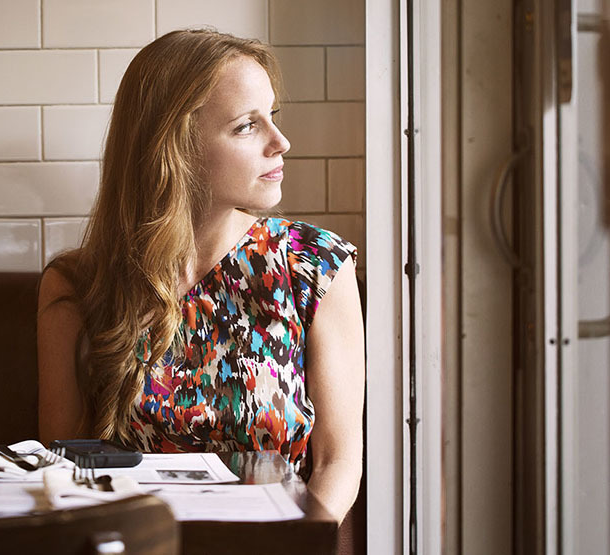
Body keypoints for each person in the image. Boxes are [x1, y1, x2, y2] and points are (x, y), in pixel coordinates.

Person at [36, 29, 365, 521]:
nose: (282, 142)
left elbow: (339, 463)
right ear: (174, 148)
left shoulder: (314, 267)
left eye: (271, 117)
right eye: (246, 126)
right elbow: (61, 465)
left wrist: (300, 547)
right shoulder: (77, 284)